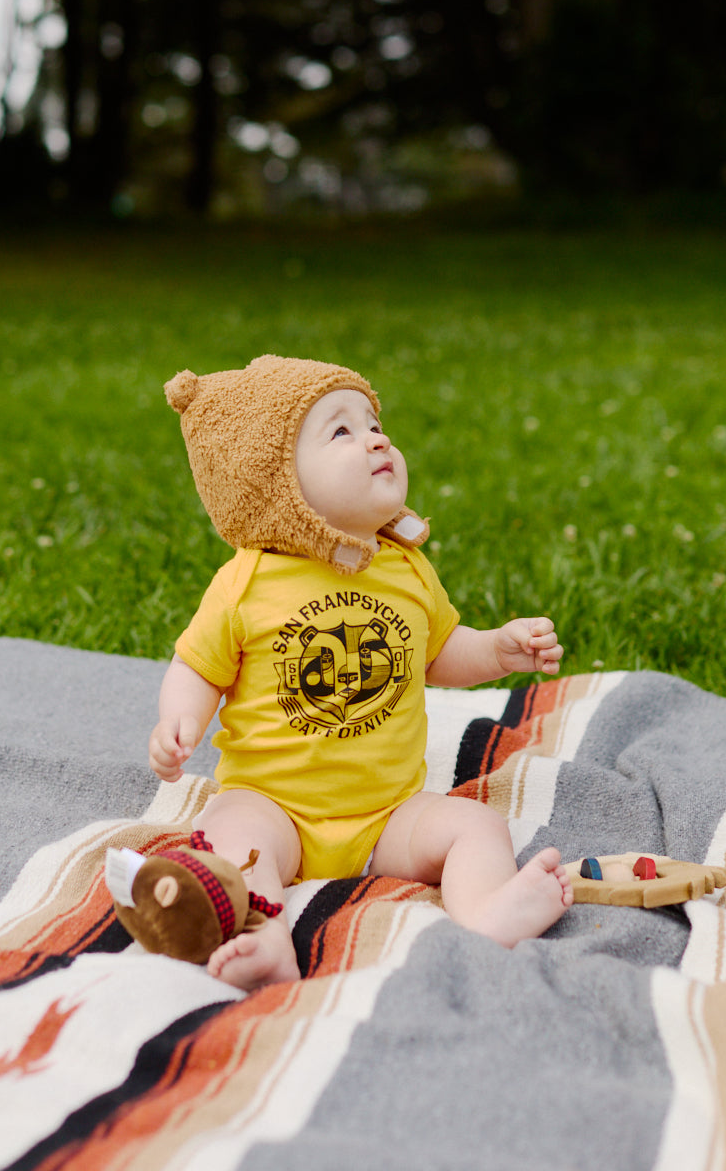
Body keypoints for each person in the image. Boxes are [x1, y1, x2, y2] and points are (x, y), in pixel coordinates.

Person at [149, 355, 572, 992]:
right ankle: (263, 941)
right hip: (275, 807)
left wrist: (495, 651)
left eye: (375, 423)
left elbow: (437, 652)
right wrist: (178, 721)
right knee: (227, 837)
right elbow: (198, 665)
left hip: (387, 814)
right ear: (274, 482)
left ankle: (487, 912)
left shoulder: (403, 568)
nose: (377, 437)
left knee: (475, 823)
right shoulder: (247, 582)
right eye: (341, 431)